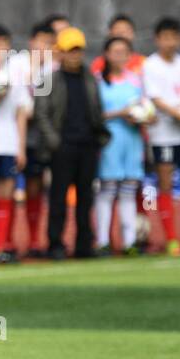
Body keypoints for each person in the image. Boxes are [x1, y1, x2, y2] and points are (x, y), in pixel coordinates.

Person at [33, 27, 110, 259]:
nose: (75, 55)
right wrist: (55, 142)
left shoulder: (90, 77)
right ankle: (56, 244)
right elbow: (41, 114)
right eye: (70, 51)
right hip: (62, 147)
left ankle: (84, 245)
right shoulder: (49, 79)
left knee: (86, 198)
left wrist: (99, 137)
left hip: (87, 145)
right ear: (61, 52)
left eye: (78, 51)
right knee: (58, 198)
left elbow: (97, 109)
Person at [142, 17, 180, 255]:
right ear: (157, 39)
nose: (170, 42)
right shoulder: (151, 65)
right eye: (165, 37)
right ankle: (172, 238)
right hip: (164, 133)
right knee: (165, 184)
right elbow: (156, 100)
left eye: (174, 37)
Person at [0, 24, 32, 262]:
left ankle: (0, 248)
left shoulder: (15, 74)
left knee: (5, 196)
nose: (1, 48)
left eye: (5, 43)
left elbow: (22, 113)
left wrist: (21, 147)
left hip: (9, 143)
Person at [95, 37, 148, 255]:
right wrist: (120, 113)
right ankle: (102, 241)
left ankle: (129, 242)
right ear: (106, 54)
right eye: (115, 51)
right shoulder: (98, 81)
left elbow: (148, 111)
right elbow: (94, 115)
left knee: (128, 191)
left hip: (132, 142)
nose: (119, 56)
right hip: (109, 142)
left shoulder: (137, 81)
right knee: (106, 191)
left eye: (124, 52)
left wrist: (141, 117)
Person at [20, 22, 57, 255]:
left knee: (46, 186)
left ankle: (41, 239)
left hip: (48, 134)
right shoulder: (18, 62)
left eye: (48, 42)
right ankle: (28, 239)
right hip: (24, 135)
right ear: (32, 41)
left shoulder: (55, 67)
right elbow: (23, 93)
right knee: (29, 186)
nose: (43, 47)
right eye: (40, 41)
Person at [90, 14, 146, 78]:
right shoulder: (99, 64)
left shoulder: (144, 63)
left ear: (133, 34)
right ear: (110, 34)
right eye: (118, 29)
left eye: (126, 30)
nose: (122, 33)